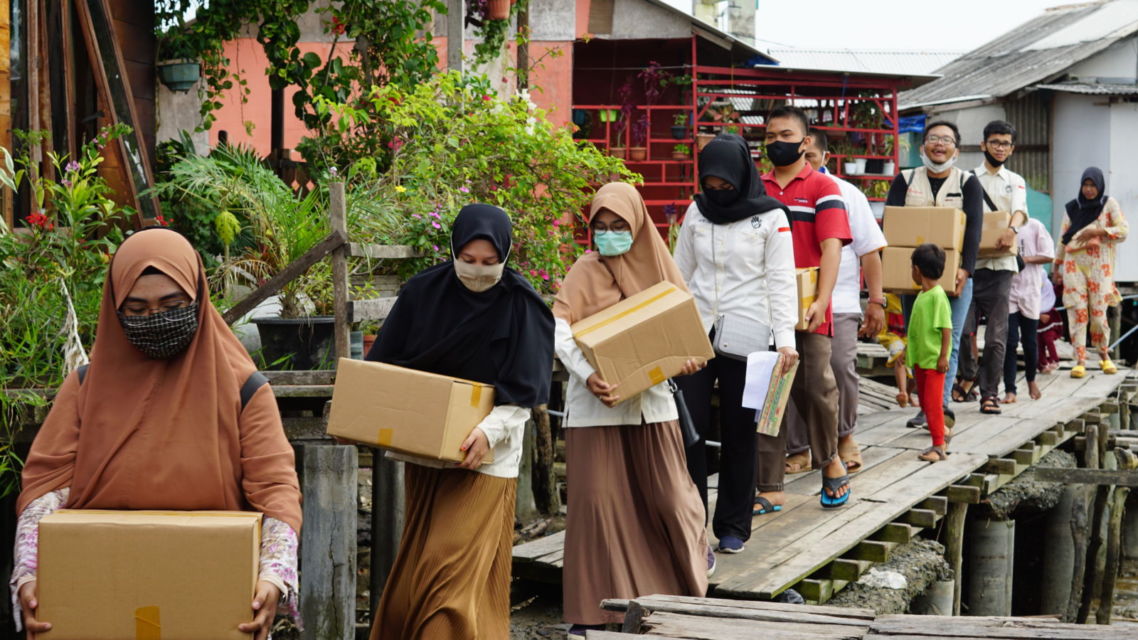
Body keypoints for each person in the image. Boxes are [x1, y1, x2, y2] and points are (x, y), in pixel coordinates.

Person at [12, 228, 302, 640]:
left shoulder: (244, 389)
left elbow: (275, 492)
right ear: (115, 310)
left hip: (208, 592)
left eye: (172, 304)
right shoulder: (84, 389)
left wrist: (273, 577)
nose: (156, 319)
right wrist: (29, 573)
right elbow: (45, 487)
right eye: (136, 308)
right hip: (97, 590)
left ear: (198, 300)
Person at [366, 204, 554, 639]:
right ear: (452, 249)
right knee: (422, 567)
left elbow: (524, 389)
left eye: (490, 263)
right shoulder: (423, 293)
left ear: (506, 256)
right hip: (428, 454)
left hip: (487, 457)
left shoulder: (522, 305)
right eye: (467, 260)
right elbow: (387, 368)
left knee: (444, 570)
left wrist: (488, 432)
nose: (478, 271)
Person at [557, 183, 710, 637]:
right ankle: (592, 613)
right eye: (600, 228)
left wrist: (683, 359)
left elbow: (688, 337)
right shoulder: (583, 270)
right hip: (595, 409)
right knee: (597, 505)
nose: (608, 236)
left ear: (638, 225)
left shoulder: (660, 269)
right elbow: (559, 330)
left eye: (619, 227)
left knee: (672, 499)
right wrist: (588, 374)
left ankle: (684, 589)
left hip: (652, 407)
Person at [673, 134, 798, 551]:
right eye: (711, 184)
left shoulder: (772, 217)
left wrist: (786, 340)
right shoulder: (696, 211)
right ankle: (691, 522)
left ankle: (732, 526)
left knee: (739, 431)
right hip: (696, 329)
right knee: (688, 426)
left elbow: (781, 281)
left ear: (741, 176)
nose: (718, 192)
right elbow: (679, 273)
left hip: (749, 334)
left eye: (725, 185)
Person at [758, 106, 852, 509]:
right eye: (770, 136)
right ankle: (769, 483)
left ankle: (829, 459)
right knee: (769, 390)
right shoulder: (755, 187)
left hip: (808, 305)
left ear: (805, 141)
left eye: (785, 135)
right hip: (762, 308)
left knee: (816, 386)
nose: (777, 142)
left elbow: (832, 246)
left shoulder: (822, 187)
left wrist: (822, 300)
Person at [783, 128, 887, 476]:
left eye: (811, 157)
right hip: (789, 298)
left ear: (825, 158)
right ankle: (798, 446)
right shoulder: (777, 192)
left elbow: (870, 251)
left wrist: (876, 300)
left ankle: (844, 436)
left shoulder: (846, 193)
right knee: (792, 371)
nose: (804, 163)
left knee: (839, 366)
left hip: (839, 298)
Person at [885, 120, 983, 429]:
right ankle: (925, 405)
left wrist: (966, 268)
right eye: (933, 138)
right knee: (917, 341)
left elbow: (975, 230)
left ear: (956, 147)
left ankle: (939, 406)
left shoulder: (967, 182)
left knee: (948, 339)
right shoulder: (904, 180)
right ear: (922, 145)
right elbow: (892, 225)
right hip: (913, 277)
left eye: (947, 139)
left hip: (955, 277)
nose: (940, 144)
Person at [957, 120, 1031, 415]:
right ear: (983, 144)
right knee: (963, 329)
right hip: (970, 264)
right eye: (995, 142)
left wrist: (1011, 231)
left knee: (997, 335)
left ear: (1011, 149)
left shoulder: (1015, 180)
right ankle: (968, 374)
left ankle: (990, 394)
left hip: (1002, 264)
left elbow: (1020, 211)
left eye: (1006, 144)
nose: (1000, 148)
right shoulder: (967, 178)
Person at [1053, 167, 1128, 377]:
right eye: (1085, 185)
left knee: (1098, 312)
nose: (1088, 189)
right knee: (1077, 311)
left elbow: (1124, 231)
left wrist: (1100, 231)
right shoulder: (1072, 207)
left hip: (1100, 265)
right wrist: (1056, 267)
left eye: (1093, 185)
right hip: (1073, 264)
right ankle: (1080, 359)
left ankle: (1104, 355)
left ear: (1100, 186)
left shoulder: (1109, 204)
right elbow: (1063, 238)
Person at [896, 244, 953, 462]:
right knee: (926, 403)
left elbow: (946, 329)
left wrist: (943, 357)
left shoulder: (937, 296)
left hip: (933, 361)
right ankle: (941, 435)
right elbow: (917, 329)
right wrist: (907, 351)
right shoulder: (923, 294)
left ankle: (939, 446)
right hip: (921, 359)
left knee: (933, 403)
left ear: (917, 270)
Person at [1003, 217, 1054, 402]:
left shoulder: (1034, 225)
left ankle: (1031, 380)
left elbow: (1049, 255)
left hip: (1031, 289)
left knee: (1030, 341)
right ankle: (1010, 389)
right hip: (1009, 288)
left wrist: (1024, 259)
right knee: (1009, 342)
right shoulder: (1002, 225)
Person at [1037, 281, 1063, 374]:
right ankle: (1042, 365)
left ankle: (1054, 360)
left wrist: (1060, 283)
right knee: (1039, 343)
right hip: (1036, 320)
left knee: (1048, 338)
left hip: (1050, 319)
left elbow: (1056, 292)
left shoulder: (1046, 283)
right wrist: (1038, 315)